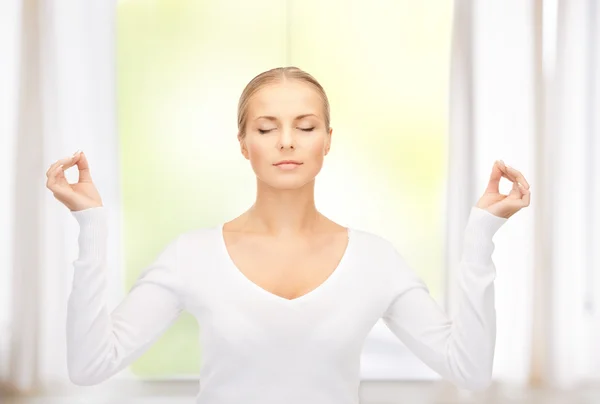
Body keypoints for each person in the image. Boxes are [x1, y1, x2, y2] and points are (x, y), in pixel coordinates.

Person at [45, 66, 531, 403]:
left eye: (305, 125)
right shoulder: (191, 256)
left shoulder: (375, 261)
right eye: (265, 128)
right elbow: (90, 365)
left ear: (327, 142)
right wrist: (90, 225)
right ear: (244, 145)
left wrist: (481, 235)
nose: (286, 141)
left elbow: (468, 369)